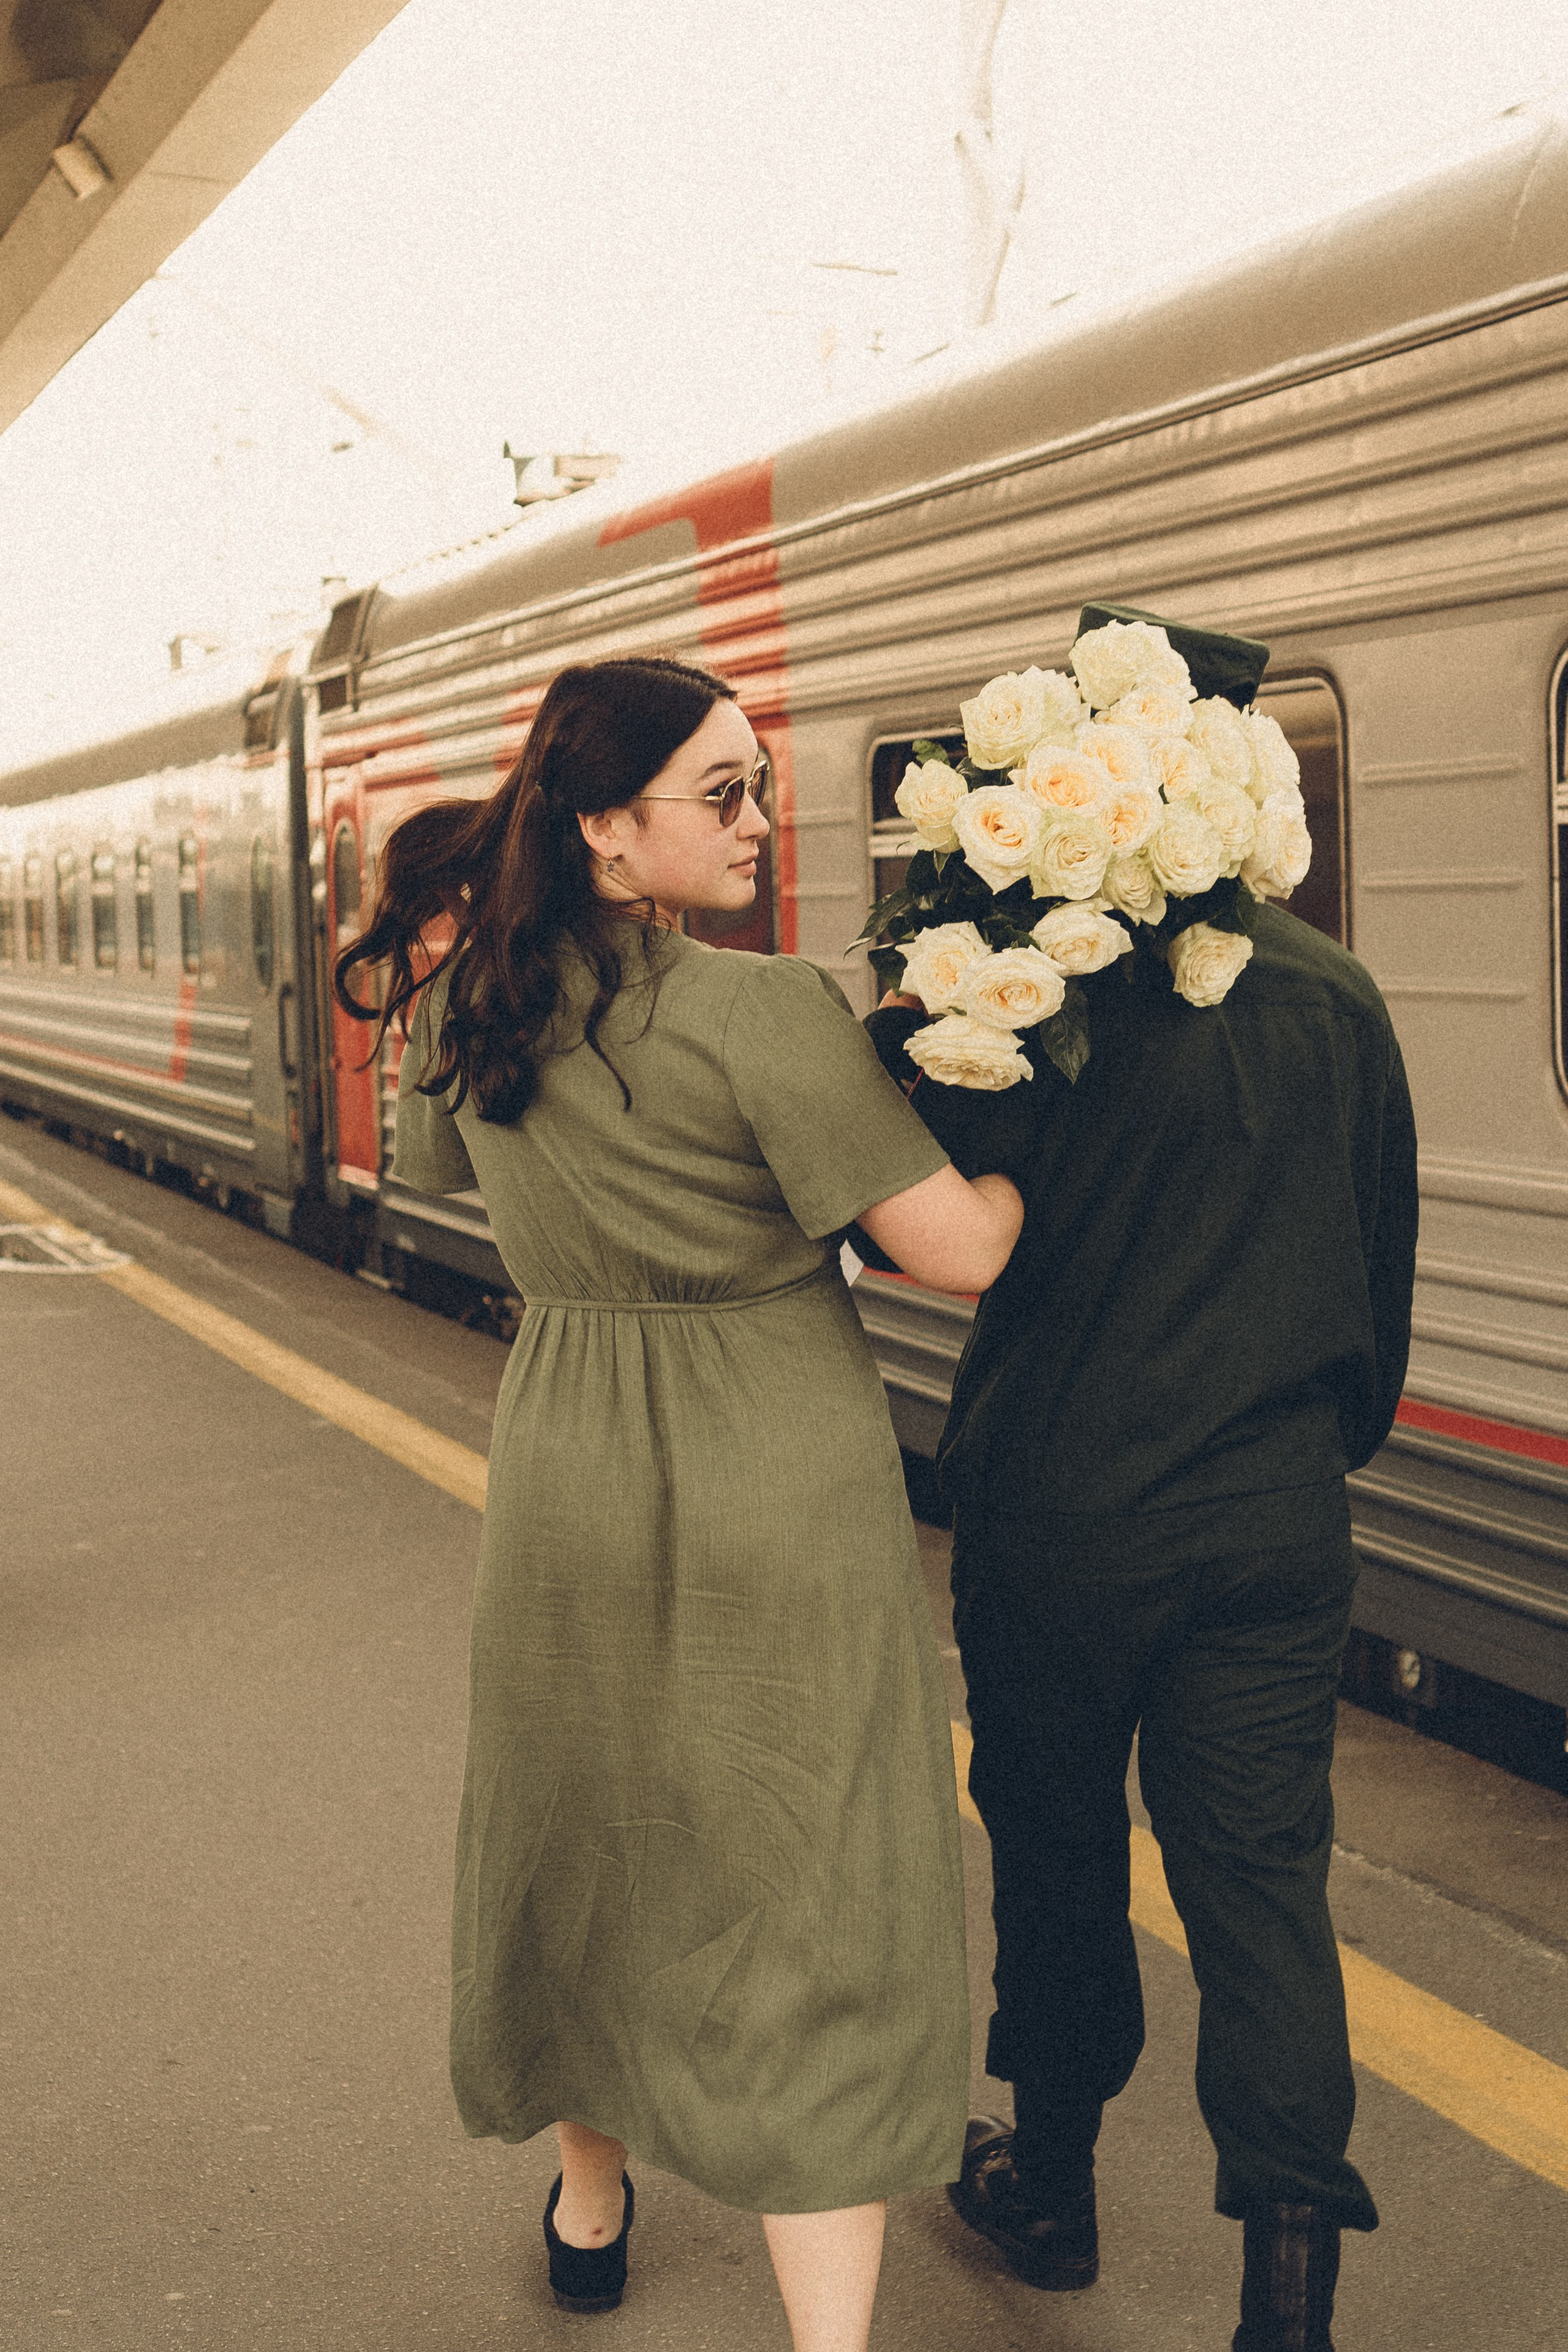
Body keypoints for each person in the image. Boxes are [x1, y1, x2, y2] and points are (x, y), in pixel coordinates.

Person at [335, 652, 1023, 2352]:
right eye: (720, 792)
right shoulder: (764, 1009)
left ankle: (589, 2208)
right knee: (809, 1875)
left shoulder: (466, 1011)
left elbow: (427, 1177)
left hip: (567, 1462)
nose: (757, 817)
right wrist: (1019, 1160)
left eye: (759, 783)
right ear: (605, 831)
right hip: (772, 1470)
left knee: (587, 1837)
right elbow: (956, 1252)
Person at [864, 617, 1419, 2352]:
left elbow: (935, 1231)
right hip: (1270, 1520)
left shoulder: (1016, 992)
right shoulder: (1337, 994)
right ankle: (1289, 2296)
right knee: (1264, 1887)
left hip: (1062, 1517)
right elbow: (1379, 1278)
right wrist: (1311, 1449)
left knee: (1053, 1848)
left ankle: (1057, 2187)